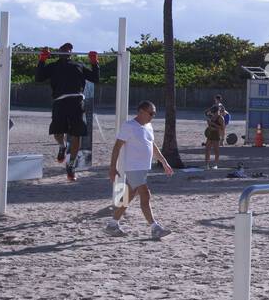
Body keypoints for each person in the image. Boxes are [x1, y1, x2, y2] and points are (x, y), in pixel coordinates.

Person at [106, 100, 173, 238]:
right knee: (145, 194)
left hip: (143, 168)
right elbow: (117, 147)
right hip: (133, 168)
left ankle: (112, 224)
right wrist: (112, 167)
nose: (152, 116)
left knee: (127, 197)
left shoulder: (149, 126)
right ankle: (155, 228)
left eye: (154, 113)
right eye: (151, 113)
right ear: (141, 112)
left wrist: (164, 162)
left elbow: (152, 145)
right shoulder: (129, 126)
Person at [34, 43, 99, 181]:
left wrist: (94, 63)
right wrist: (42, 60)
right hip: (60, 101)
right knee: (57, 131)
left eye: (69, 50)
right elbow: (38, 77)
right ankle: (62, 146)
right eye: (64, 50)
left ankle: (71, 165)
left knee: (77, 133)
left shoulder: (79, 65)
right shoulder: (53, 66)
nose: (66, 52)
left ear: (71, 53)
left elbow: (95, 78)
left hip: (76, 102)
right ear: (59, 52)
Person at [203, 95, 228, 170]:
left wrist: (214, 124)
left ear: (218, 111)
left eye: (215, 112)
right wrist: (209, 123)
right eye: (213, 112)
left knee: (216, 150)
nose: (213, 114)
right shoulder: (211, 116)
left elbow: (222, 128)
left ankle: (216, 165)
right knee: (207, 149)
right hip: (210, 134)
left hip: (216, 135)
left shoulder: (221, 118)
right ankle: (207, 164)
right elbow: (205, 113)